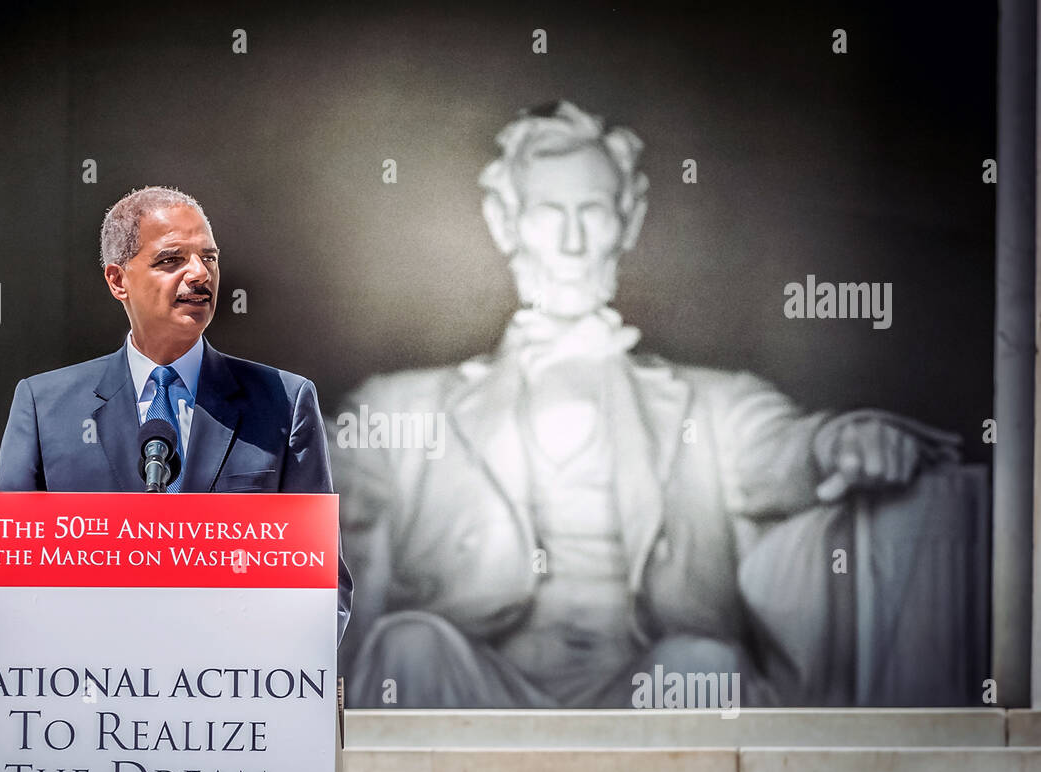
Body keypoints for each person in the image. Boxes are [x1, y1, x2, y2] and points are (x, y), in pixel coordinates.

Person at [330, 101, 958, 707]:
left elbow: (785, 451)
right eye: (549, 212)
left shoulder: (714, 408)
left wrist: (838, 444)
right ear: (505, 220)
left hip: (645, 694)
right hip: (469, 691)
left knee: (706, 667)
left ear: (628, 220)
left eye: (594, 211)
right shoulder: (402, 411)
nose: (572, 241)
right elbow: (316, 473)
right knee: (407, 647)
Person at [0, 186, 352, 642]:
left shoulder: (283, 401)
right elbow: (7, 571)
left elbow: (322, 586)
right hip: (89, 677)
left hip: (233, 678)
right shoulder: (44, 406)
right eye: (171, 260)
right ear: (117, 280)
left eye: (209, 258)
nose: (199, 274)